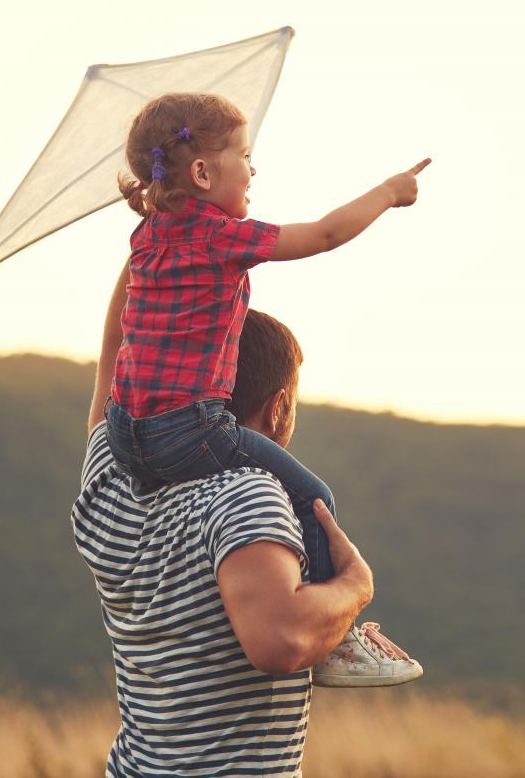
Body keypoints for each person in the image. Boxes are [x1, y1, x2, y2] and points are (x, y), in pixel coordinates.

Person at [100, 92, 427, 685]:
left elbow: (119, 335)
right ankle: (338, 640)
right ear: (202, 173)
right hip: (190, 431)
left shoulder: (147, 239)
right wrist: (389, 192)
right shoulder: (220, 237)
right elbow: (325, 235)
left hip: (125, 432)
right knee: (314, 497)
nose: (254, 169)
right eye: (246, 156)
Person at [74, 310, 414, 776]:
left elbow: (115, 351)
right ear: (277, 408)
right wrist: (356, 587)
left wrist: (148, 247)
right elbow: (280, 642)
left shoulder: (111, 481)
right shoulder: (245, 491)